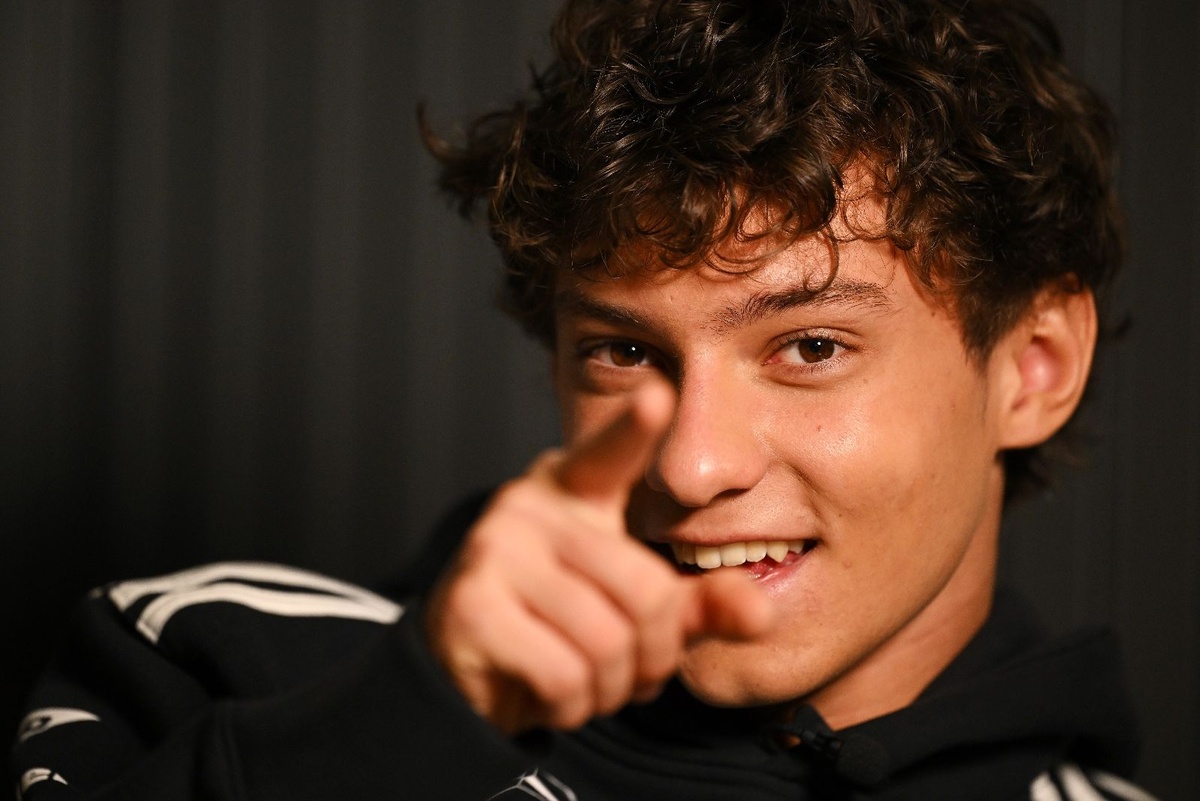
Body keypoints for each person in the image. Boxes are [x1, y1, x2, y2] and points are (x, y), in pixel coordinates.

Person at [12, 0, 1158, 799]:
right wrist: (402, 727)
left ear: (1034, 367)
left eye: (810, 346)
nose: (692, 467)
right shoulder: (208, 661)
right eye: (623, 352)